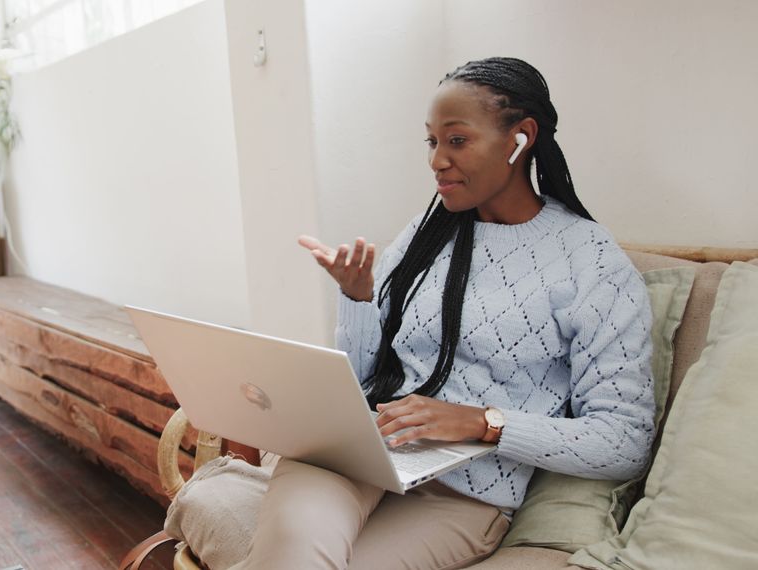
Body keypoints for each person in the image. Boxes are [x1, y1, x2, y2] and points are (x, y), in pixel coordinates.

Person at [226, 57, 656, 570]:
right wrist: (359, 299)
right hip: (360, 450)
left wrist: (482, 423)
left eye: (456, 141)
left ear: (521, 138)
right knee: (293, 550)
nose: (436, 161)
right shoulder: (426, 233)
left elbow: (624, 440)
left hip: (467, 495)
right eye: (432, 142)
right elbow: (365, 377)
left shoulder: (591, 261)